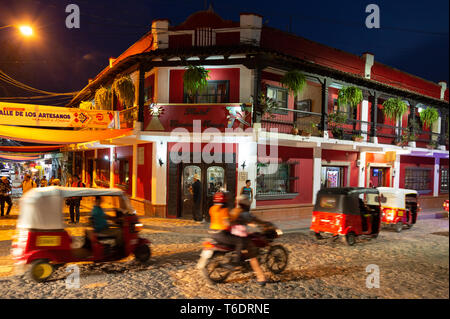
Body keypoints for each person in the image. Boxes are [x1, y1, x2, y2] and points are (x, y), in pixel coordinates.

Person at [229, 195, 268, 286]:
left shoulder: (235, 211)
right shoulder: (246, 214)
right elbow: (256, 220)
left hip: (233, 235)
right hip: (241, 236)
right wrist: (264, 224)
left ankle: (242, 263)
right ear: (246, 204)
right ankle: (261, 277)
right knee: (253, 257)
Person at [208, 191, 245, 269]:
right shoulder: (224, 210)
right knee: (239, 241)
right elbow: (227, 223)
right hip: (221, 233)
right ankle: (235, 262)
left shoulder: (211, 209)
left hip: (212, 233)